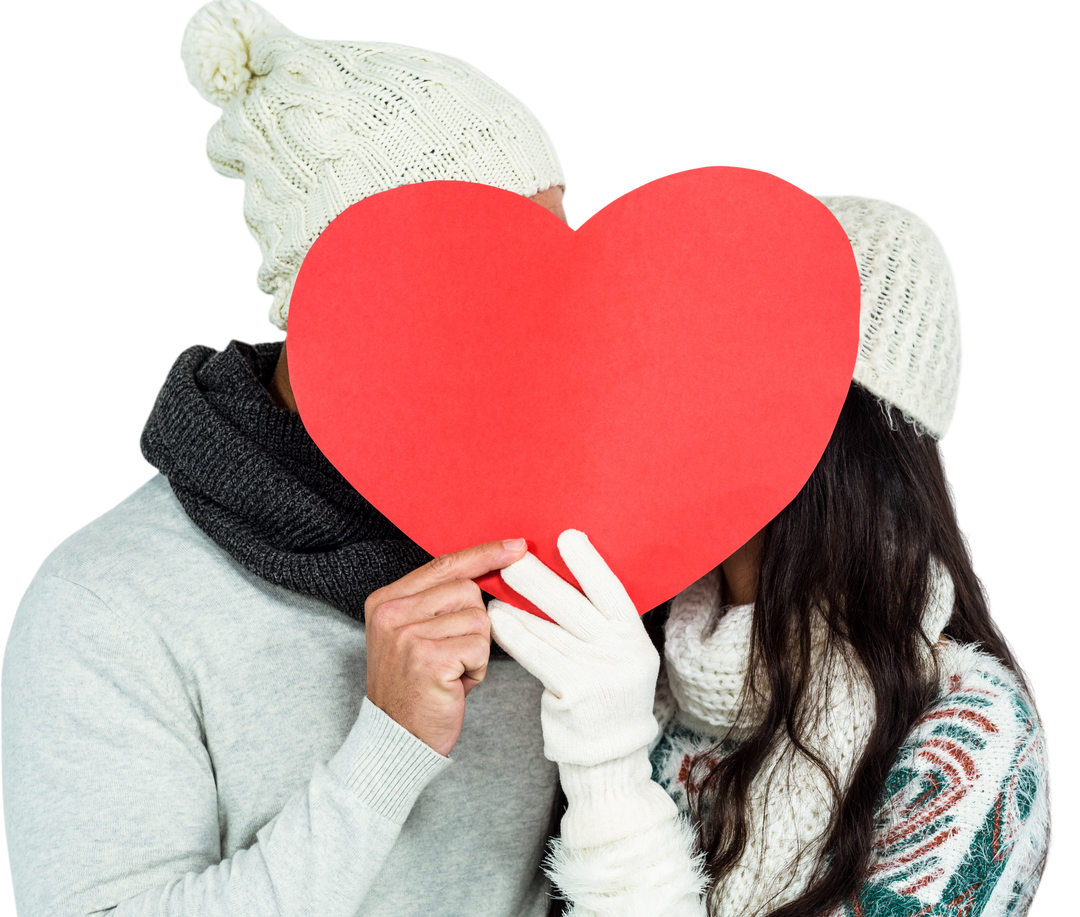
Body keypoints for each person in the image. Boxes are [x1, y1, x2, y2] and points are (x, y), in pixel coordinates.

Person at [1, 2, 574, 915]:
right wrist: (383, 753)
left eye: (560, 264)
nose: (550, 323)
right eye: (493, 273)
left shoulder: (581, 543)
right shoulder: (108, 600)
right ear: (341, 300)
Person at [482, 196, 1057, 915]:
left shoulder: (966, 737)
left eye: (703, 379)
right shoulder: (628, 662)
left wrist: (610, 783)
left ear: (824, 439)